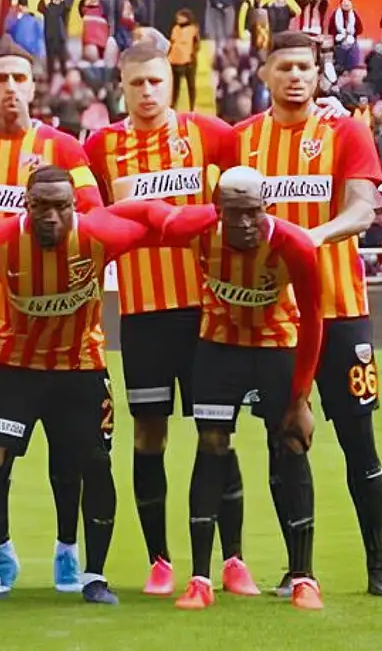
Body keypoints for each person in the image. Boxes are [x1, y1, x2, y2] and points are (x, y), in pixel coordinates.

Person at [0, 165, 196, 607]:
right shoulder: (0, 241)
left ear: (75, 205)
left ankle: (93, 575)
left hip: (80, 368)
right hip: (14, 368)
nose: (51, 216)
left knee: (94, 464)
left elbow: (161, 230)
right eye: (41, 206)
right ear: (26, 205)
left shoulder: (100, 235)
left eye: (61, 206)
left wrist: (180, 214)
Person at [0, 35, 104, 594]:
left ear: (35, 87)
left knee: (69, 452)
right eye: (0, 79)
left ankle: (67, 550)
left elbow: (94, 221)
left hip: (50, 327)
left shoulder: (64, 148)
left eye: (19, 79)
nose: (10, 88)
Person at [112, 165, 326, 611]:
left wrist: (302, 397)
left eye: (253, 212)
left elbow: (313, 320)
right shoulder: (196, 228)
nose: (244, 223)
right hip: (219, 349)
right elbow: (148, 212)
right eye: (233, 213)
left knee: (291, 445)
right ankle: (200, 580)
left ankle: (304, 577)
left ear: (267, 207)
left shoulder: (296, 245)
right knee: (210, 447)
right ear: (216, 209)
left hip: (275, 347)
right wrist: (91, 217)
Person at [236, 30, 382, 598]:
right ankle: (298, 569)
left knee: (359, 439)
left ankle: (379, 565)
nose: (294, 76)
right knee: (284, 439)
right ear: (265, 73)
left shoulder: (345, 131)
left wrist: (309, 238)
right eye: (283, 67)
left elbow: (361, 209)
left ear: (317, 73)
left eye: (304, 67)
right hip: (274, 320)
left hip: (340, 311)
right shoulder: (241, 140)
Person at [83, 30, 249, 597]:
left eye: (156, 81)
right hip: (143, 315)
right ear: (122, 86)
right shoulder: (101, 147)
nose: (148, 92)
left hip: (205, 313)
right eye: (137, 83)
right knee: (148, 434)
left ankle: (233, 559)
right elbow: (81, 201)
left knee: (216, 433)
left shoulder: (209, 134)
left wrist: (329, 106)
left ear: (170, 82)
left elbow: (254, 155)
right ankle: (159, 560)